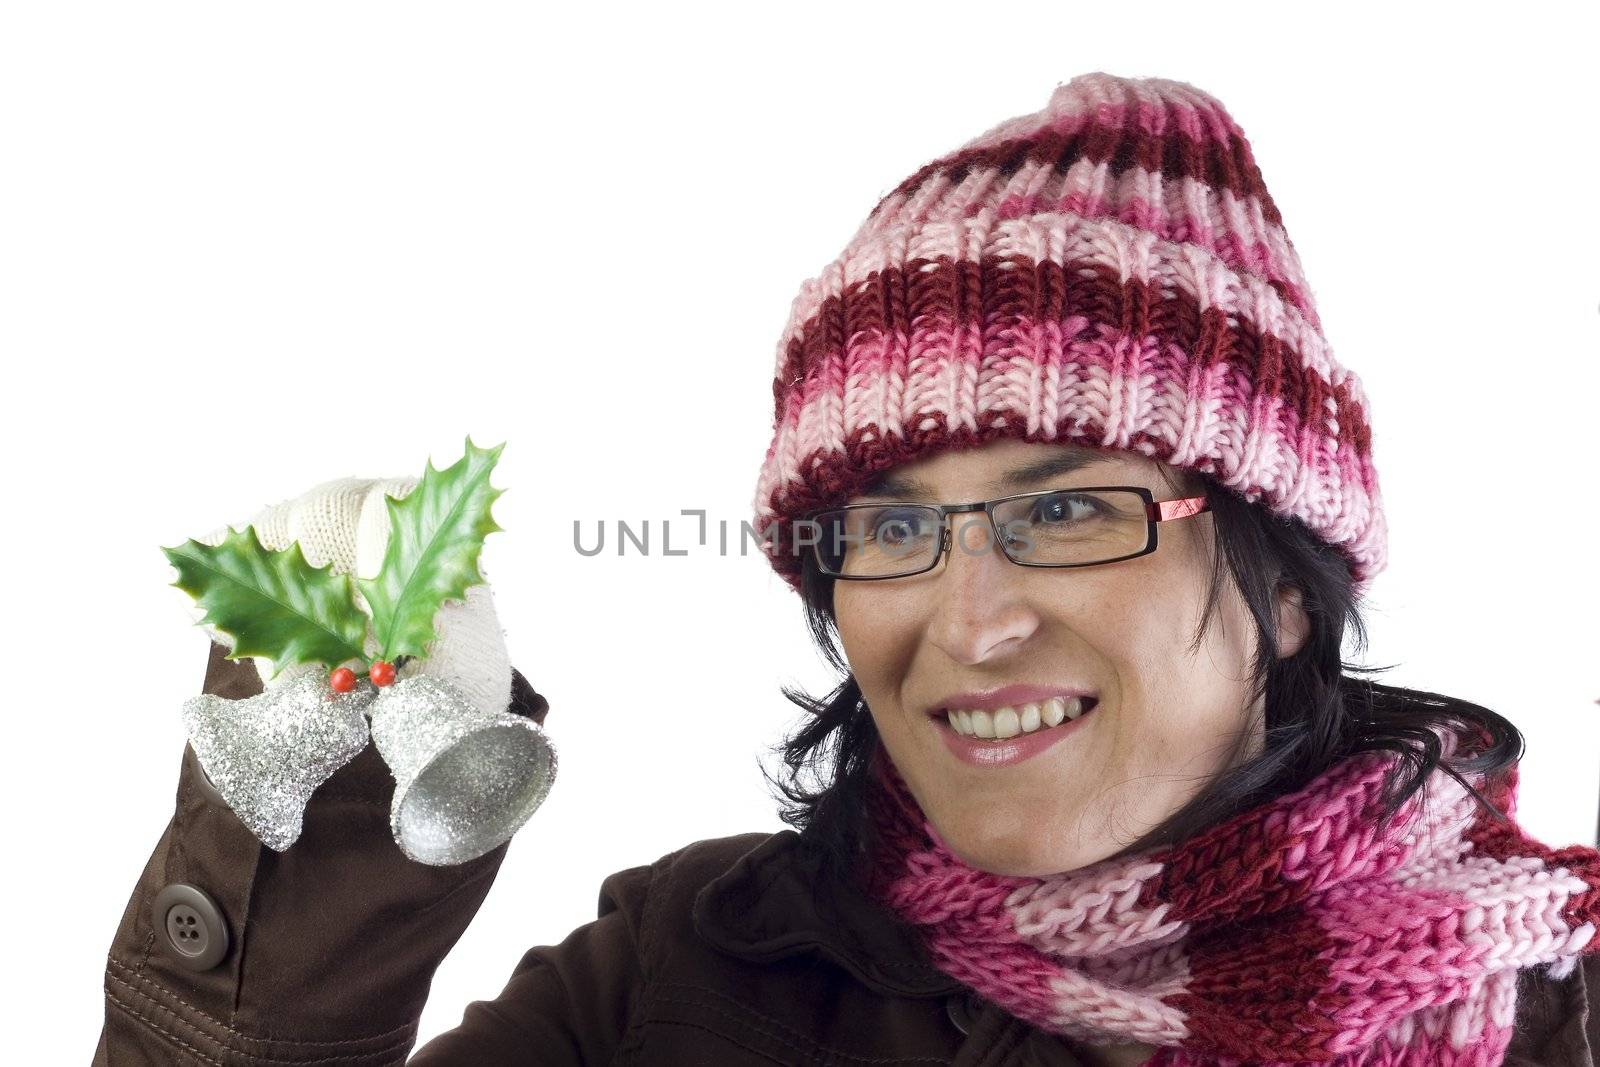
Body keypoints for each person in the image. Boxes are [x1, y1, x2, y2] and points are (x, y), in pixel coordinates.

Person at [94, 72, 1600, 1066]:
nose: (975, 616)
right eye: (886, 528)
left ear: (1286, 583)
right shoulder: (677, 985)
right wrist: (336, 809)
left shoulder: (1566, 1015)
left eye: (1066, 508)